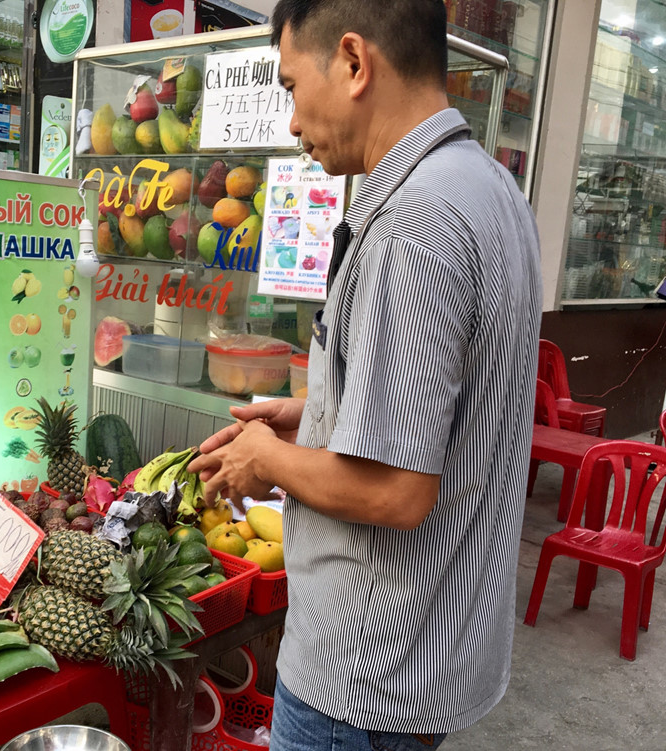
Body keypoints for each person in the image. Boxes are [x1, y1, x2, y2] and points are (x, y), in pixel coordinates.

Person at [188, 1, 542, 749]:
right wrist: (314, 415)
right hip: (434, 651)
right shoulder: (490, 189)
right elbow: (450, 408)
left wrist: (266, 459)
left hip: (361, 679)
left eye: (291, 86)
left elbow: (395, 490)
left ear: (353, 62)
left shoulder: (414, 227)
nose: (292, 122)